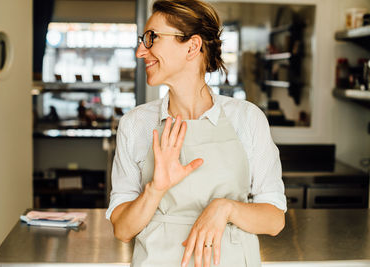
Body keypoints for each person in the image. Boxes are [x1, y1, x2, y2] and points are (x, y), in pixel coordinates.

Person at [106, 0, 286, 266]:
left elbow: (274, 220)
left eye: (151, 38)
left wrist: (225, 208)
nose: (140, 51)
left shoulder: (247, 119)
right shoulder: (136, 124)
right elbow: (122, 230)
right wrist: (156, 189)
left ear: (192, 46)